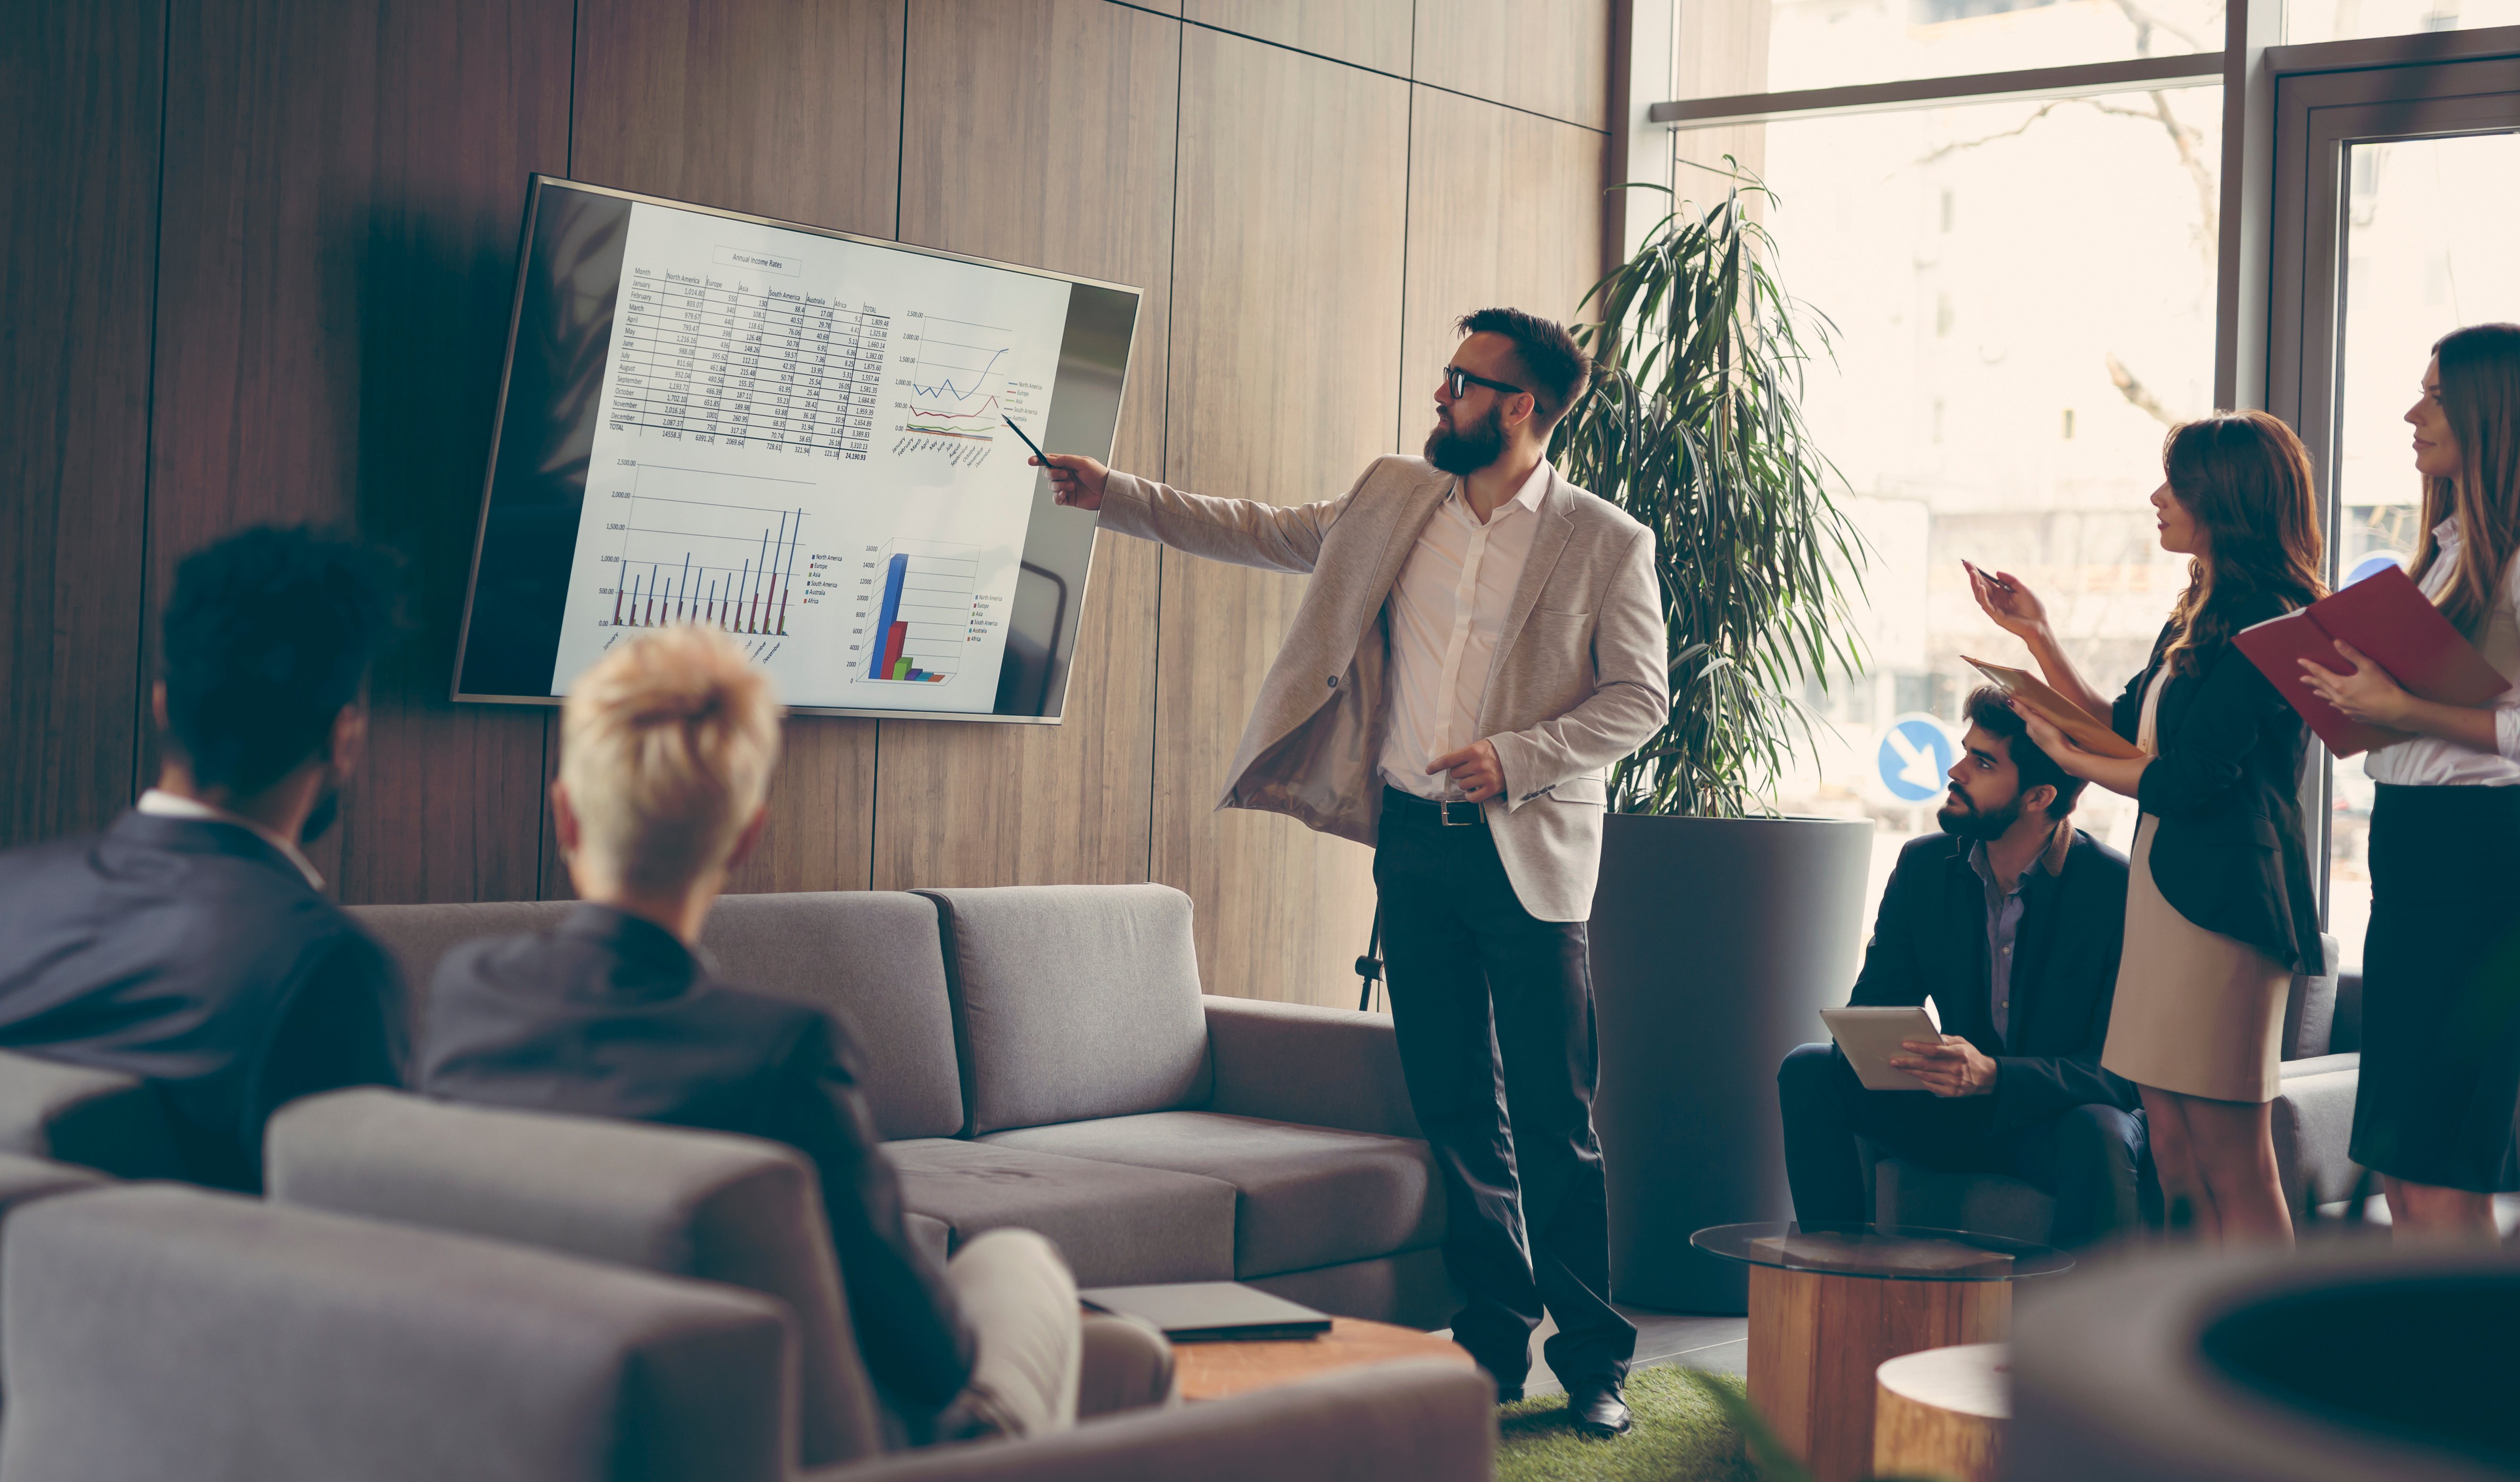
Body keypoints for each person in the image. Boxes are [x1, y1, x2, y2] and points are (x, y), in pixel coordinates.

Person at [1033, 308, 1667, 1439]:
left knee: (1554, 1118)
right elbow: (1263, 529)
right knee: (1457, 1111)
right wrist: (1111, 493)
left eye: (1462, 382)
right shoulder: (1392, 496)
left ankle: (1593, 1364)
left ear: (1519, 406)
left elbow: (1638, 700)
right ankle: (1487, 1346)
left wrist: (1517, 759)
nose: (1439, 395)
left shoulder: (1602, 539)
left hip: (1530, 860)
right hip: (1416, 847)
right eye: (1443, 374)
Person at [418, 625, 1120, 1447]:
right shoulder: (781, 1053)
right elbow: (931, 1359)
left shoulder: (468, 995)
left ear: (566, 815)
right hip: (825, 1451)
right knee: (1020, 1263)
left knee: (1128, 1357)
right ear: (746, 835)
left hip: (556, 1427)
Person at [1971, 412, 2329, 1244]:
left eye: (2177, 482)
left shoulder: (2273, 618)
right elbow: (2124, 728)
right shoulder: (2198, 614)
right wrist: (2037, 637)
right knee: (2169, 1144)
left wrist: (2068, 755)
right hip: (2167, 898)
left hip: (2225, 910)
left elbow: (2186, 778)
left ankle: (2265, 1352)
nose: (2156, 496)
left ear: (2226, 497)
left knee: (2233, 1157)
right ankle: (2192, 1334)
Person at [0, 524, 408, 1192]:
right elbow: (363, 1228)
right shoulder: (323, 965)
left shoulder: (11, 890)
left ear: (163, 705)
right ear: (343, 738)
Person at [2296, 324, 2520, 1240]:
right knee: (2406, 1177)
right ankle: (2438, 1376)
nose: (2413, 414)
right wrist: (2358, 705)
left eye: (2437, 397)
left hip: (2485, 882)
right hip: (2415, 873)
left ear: (2495, 414)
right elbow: (2428, 724)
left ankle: (2477, 1382)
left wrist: (2405, 709)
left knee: (2442, 1174)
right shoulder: (2451, 549)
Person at [1777, 687, 2146, 1249]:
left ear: (2038, 796)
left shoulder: (2114, 889)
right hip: (1949, 1110)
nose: (1955, 771)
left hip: (2048, 1117)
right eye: (1965, 752)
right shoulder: (1925, 866)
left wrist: (1995, 1076)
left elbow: (2119, 1074)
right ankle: (1840, 1282)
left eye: (1983, 762)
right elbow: (1876, 1004)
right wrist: (1907, 1052)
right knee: (1809, 1071)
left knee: (2100, 1130)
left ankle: (2080, 1331)